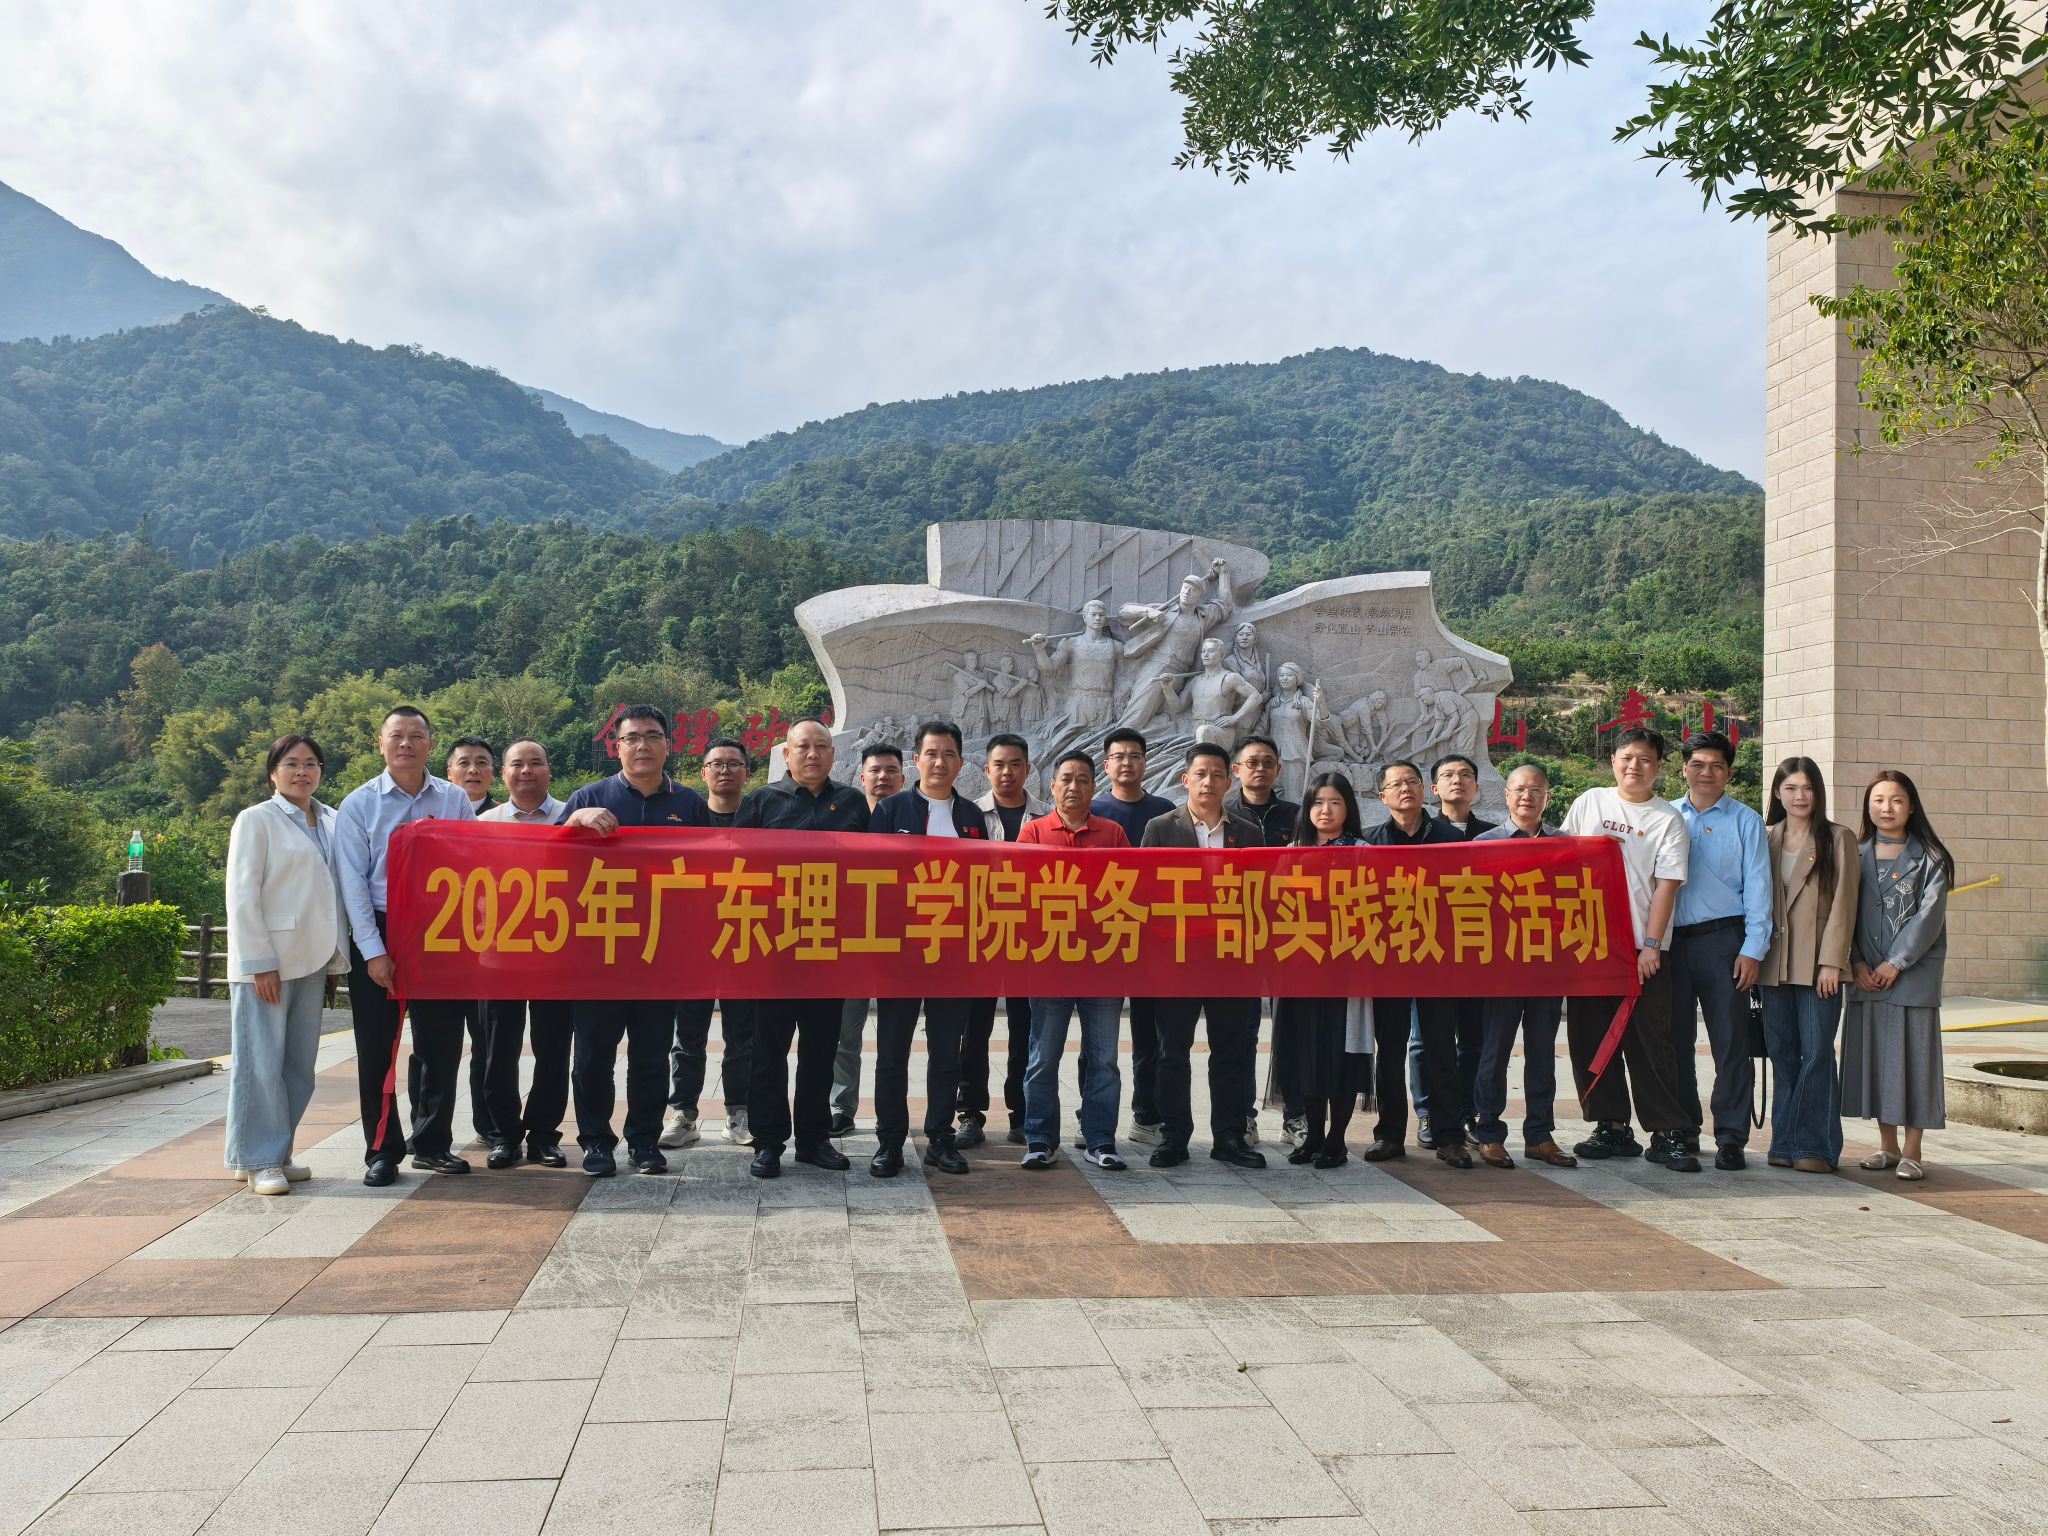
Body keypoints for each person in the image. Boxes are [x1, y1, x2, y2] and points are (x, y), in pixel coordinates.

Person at [557, 705, 709, 1177]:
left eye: (652, 736)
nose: (642, 745)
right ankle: (597, 1143)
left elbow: (710, 873)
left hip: (660, 954)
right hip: (598, 950)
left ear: (668, 745)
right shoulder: (589, 797)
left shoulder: (689, 804)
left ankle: (644, 1143)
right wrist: (574, 822)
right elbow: (547, 862)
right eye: (632, 737)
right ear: (617, 746)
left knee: (651, 1056)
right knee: (592, 1057)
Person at [334, 706, 476, 1187]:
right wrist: (373, 951)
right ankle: (381, 1150)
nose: (406, 744)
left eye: (417, 736)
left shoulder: (454, 799)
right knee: (378, 1050)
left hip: (440, 930)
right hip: (381, 926)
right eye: (397, 735)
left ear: (430, 745)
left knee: (441, 1044)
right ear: (381, 744)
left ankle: (432, 1144)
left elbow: (471, 865)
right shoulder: (359, 804)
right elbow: (353, 884)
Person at [1559, 728, 1700, 1174]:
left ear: (1658, 767)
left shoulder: (1667, 819)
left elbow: (1666, 887)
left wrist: (1652, 946)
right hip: (1589, 944)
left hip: (1641, 948)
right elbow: (1562, 861)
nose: (1634, 766)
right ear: (1613, 761)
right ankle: (1611, 1126)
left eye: (1644, 759)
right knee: (1589, 1039)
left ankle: (1667, 1131)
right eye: (1626, 757)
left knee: (1651, 1042)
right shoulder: (1590, 802)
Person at [735, 719, 868, 1178]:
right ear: (786, 754)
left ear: (833, 753)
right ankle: (768, 1143)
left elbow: (873, 871)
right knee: (768, 1052)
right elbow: (735, 868)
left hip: (829, 949)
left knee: (820, 1050)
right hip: (773, 949)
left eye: (821, 746)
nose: (812, 754)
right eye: (803, 746)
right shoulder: (760, 802)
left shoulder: (852, 802)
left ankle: (813, 1140)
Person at [867, 720, 995, 1177]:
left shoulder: (972, 816)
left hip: (952, 952)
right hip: (900, 953)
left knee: (946, 1052)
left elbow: (982, 883)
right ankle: (889, 1141)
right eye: (932, 753)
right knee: (892, 1052)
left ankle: (940, 1138)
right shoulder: (891, 810)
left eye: (949, 754)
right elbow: (872, 879)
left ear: (960, 763)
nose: (940, 762)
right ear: (916, 760)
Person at [224, 733, 347, 1195]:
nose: (302, 771)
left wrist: (334, 958)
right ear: (273, 772)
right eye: (291, 763)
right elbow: (241, 894)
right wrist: (260, 962)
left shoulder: (332, 819)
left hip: (313, 959)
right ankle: (259, 1160)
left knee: (297, 1066)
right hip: (268, 961)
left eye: (311, 763)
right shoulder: (257, 819)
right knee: (260, 1064)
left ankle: (276, 1152)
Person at [1140, 743, 1266, 1169]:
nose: (1208, 782)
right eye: (1200, 774)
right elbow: (1145, 892)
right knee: (1172, 1051)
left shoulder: (1247, 832)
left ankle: (1229, 1136)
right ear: (1185, 780)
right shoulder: (1160, 828)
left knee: (1231, 1051)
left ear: (1229, 781)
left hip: (1230, 960)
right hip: (1176, 960)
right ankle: (1174, 1136)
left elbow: (1258, 896)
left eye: (1217, 775)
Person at [1015, 750, 1131, 1170]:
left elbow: (1130, 892)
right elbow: (1019, 893)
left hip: (1102, 965)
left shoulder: (1113, 833)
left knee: (1104, 1059)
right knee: (1043, 1058)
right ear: (1052, 786)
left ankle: (1101, 1140)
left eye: (1083, 779)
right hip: (1050, 964)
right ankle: (1040, 1138)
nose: (1074, 787)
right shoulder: (1033, 832)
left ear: (1094, 787)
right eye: (1066, 779)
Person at [1668, 729, 1773, 1170]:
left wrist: (1753, 950)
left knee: (1730, 1044)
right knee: (1674, 1042)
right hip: (1671, 944)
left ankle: (1731, 1136)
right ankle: (1681, 1128)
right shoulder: (1666, 816)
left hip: (1725, 943)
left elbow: (1760, 889)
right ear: (1684, 769)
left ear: (1729, 772)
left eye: (1716, 766)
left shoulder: (1746, 821)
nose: (1706, 772)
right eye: (1697, 764)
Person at [1361, 760, 1471, 1168]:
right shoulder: (1368, 843)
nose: (1405, 788)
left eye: (1412, 782)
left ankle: (1449, 1136)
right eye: (1396, 784)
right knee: (1389, 1050)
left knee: (1440, 1048)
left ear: (1425, 790)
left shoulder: (1451, 839)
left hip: (1437, 958)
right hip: (1387, 959)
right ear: (1382, 796)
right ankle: (1389, 1135)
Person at [1843, 770, 1952, 1181]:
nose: (1886, 808)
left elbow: (1929, 917)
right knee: (1877, 1060)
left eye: (1896, 800)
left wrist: (1896, 962)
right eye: (1878, 800)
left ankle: (1912, 1150)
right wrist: (1856, 963)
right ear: (1868, 807)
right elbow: (1843, 917)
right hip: (1866, 976)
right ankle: (1887, 1146)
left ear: (1911, 807)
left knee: (1915, 1061)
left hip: (1913, 976)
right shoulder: (1853, 855)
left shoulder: (1932, 858)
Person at [1471, 764, 1575, 1169]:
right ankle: (1489, 1133)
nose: (1526, 797)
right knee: (1494, 1051)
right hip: (1502, 967)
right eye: (1519, 790)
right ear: (1506, 795)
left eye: (1535, 790)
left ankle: (1539, 1135)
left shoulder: (1565, 844)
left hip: (1548, 965)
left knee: (1542, 1053)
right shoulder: (1484, 843)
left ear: (1547, 798)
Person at [1759, 756, 1860, 1174]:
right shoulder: (1765, 837)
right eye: (1791, 788)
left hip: (1819, 965)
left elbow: (1845, 904)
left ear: (1818, 792)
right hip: (1772, 964)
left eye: (1808, 788)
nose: (1800, 796)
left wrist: (1832, 962)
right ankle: (1783, 1143)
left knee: (1817, 1053)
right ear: (1778, 793)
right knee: (1782, 1054)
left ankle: (1816, 1146)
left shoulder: (1838, 838)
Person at [477, 740, 572, 1167]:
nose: (527, 771)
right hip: (499, 954)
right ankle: (504, 1134)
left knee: (553, 1047)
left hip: (557, 953)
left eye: (536, 763)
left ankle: (544, 1136)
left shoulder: (571, 817)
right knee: (498, 1049)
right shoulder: (483, 823)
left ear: (549, 770)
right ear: (504, 774)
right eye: (517, 764)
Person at [1274, 772, 1372, 1169]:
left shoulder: (1363, 851)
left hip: (1346, 970)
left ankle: (1336, 1139)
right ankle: (1313, 1134)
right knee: (1306, 1053)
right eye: (1317, 802)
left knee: (1340, 1053)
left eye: (1334, 802)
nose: (1325, 810)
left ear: (1348, 808)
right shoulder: (1291, 852)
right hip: (1300, 969)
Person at [663, 737, 755, 1152]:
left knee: (742, 1034)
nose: (725, 770)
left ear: (747, 773)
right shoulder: (686, 817)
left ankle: (739, 1112)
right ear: (703, 773)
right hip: (694, 943)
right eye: (716, 764)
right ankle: (683, 1113)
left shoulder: (760, 819)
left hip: (745, 938)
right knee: (688, 1035)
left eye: (734, 764)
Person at [1092, 727, 1175, 1145]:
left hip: (1152, 937)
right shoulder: (1093, 811)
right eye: (1119, 756)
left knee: (1150, 1034)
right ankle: (1091, 1117)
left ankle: (1146, 1115)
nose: (1127, 763)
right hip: (1103, 935)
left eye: (1135, 756)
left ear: (1145, 762)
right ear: (1107, 764)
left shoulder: (1165, 812)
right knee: (1097, 1037)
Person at [1409, 752, 1496, 1150]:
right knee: (1423, 1040)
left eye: (1465, 775)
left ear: (1476, 787)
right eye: (1448, 775)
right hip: (1428, 950)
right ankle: (1427, 1111)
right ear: (1434, 788)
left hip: (1476, 952)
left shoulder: (1493, 837)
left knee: (1473, 1039)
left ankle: (1465, 1111)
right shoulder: (1420, 834)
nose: (1457, 780)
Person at [962, 733, 1045, 1147]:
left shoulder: (1046, 818)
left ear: (1028, 769)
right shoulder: (968, 816)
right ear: (987, 770)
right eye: (999, 764)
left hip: (1030, 938)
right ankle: (970, 1113)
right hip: (980, 935)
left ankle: (1022, 1113)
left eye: (1015, 764)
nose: (1007, 772)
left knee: (1024, 1027)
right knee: (973, 1028)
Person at [1226, 734, 1304, 1148]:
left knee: (1291, 1031)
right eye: (1252, 762)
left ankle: (1296, 1115)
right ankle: (1242, 1116)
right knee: (1242, 1033)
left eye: (1267, 762)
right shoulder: (1223, 816)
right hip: (1240, 936)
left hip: (1290, 934)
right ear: (1236, 770)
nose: (1260, 768)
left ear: (1279, 770)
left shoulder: (1298, 817)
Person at [832, 740, 907, 1135]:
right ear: (861, 777)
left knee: (897, 1038)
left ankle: (892, 1116)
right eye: (875, 770)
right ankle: (841, 1107)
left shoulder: (914, 817)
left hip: (904, 939)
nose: (883, 777)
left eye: (891, 770)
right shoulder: (846, 817)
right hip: (852, 940)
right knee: (845, 1031)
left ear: (903, 778)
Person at [446, 736, 499, 814]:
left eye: (481, 763)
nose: (473, 770)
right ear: (449, 773)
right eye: (464, 763)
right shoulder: (434, 812)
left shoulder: (507, 817)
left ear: (492, 774)